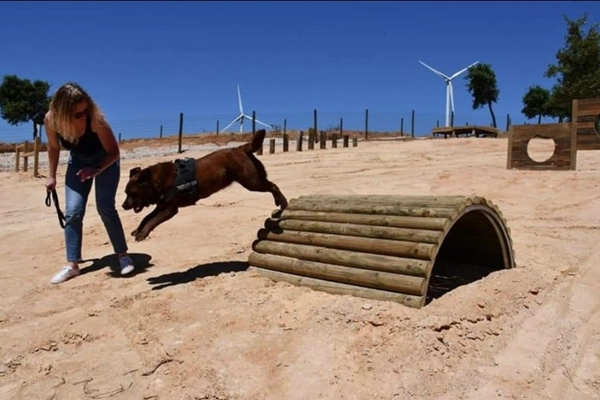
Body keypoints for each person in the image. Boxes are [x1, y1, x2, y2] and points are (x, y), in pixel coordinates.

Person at [44, 82, 135, 284]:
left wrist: (95, 170)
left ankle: (123, 256)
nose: (83, 116)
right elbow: (53, 147)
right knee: (73, 211)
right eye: (77, 114)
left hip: (106, 162)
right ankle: (72, 265)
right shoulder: (51, 120)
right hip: (78, 163)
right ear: (63, 112)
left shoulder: (95, 120)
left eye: (85, 111)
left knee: (105, 207)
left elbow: (113, 152)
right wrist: (51, 175)